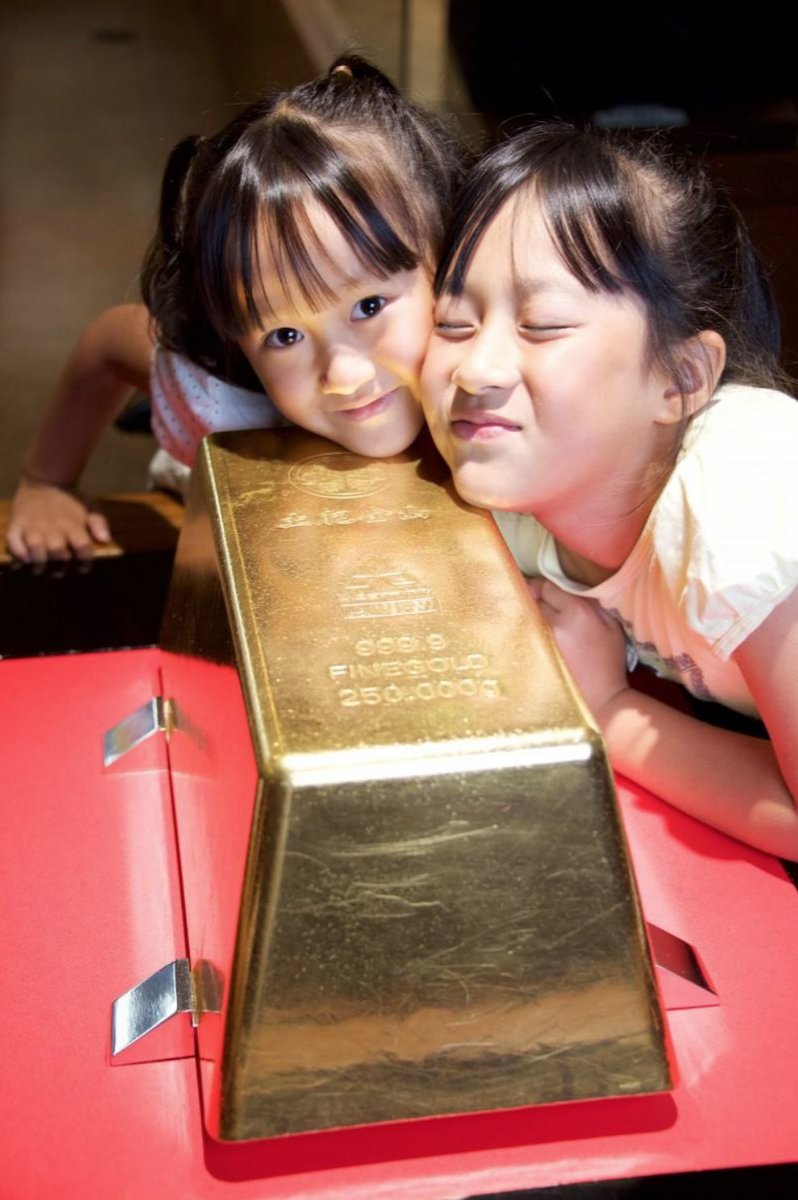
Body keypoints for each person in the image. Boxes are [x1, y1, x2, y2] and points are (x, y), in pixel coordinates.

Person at [421, 122, 798, 860]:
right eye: (453, 323)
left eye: (542, 324)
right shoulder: (517, 500)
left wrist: (608, 706)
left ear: (681, 378)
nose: (476, 369)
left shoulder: (742, 505)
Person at [7, 56, 465, 563]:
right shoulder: (220, 402)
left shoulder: (499, 364)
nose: (343, 376)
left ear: (449, 259)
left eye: (369, 306)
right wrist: (46, 481)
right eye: (285, 336)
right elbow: (108, 344)